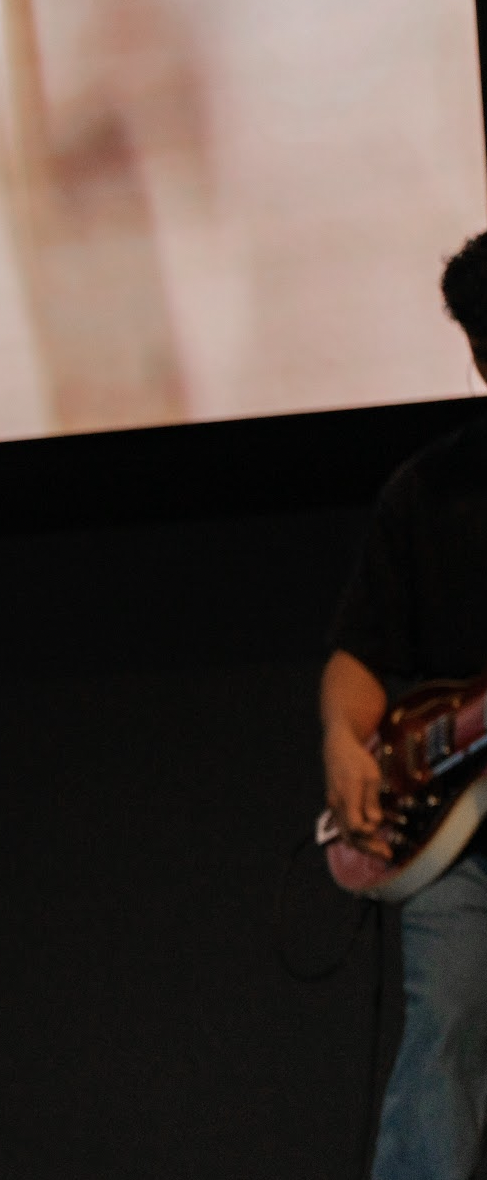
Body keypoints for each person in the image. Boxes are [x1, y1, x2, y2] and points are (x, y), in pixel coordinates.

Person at [324, 230, 487, 1180]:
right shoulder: (428, 492)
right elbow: (360, 654)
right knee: (446, 1030)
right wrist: (344, 742)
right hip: (456, 836)